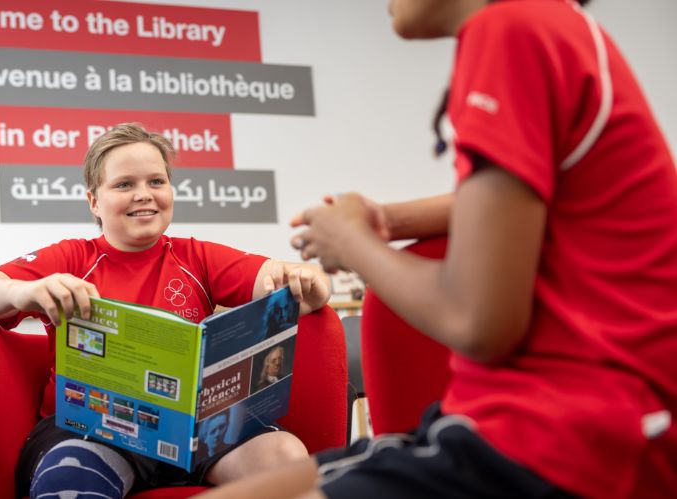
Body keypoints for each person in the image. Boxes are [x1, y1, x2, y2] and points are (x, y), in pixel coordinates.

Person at [197, 0, 677, 498]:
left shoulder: (512, 29)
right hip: (528, 422)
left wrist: (353, 243)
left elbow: (478, 323)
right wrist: (384, 221)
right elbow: (522, 198)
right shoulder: (547, 25)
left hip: (568, 439)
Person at [0, 123, 331, 499]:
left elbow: (298, 288)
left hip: (193, 430)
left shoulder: (196, 256)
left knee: (288, 463)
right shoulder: (72, 257)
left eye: (156, 181)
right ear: (94, 200)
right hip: (93, 427)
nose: (143, 194)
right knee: (71, 477)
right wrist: (25, 290)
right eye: (124, 184)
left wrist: (303, 279)